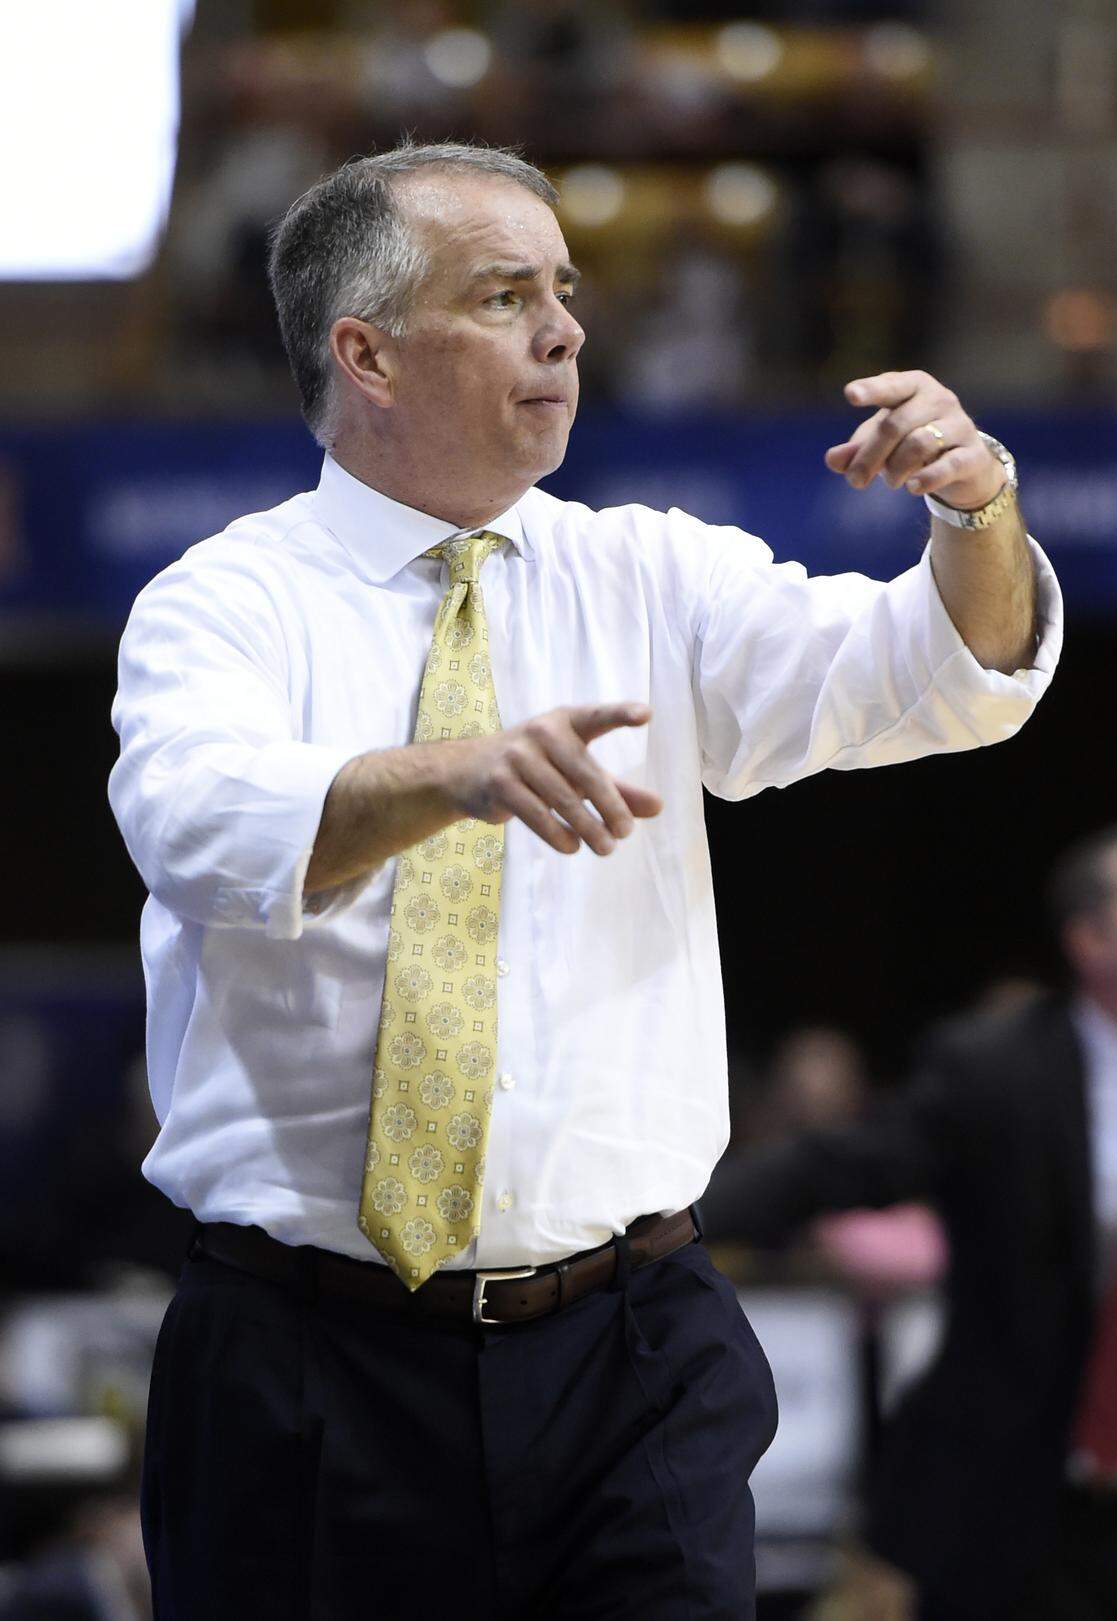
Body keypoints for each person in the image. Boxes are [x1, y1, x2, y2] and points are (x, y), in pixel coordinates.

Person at [108, 139, 1060, 1618]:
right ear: (364, 350)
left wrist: (974, 506)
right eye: (505, 296)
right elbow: (198, 824)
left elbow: (938, 675)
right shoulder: (225, 601)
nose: (564, 329)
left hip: (632, 1354)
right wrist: (454, 772)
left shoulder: (651, 571)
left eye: (564, 291)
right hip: (309, 1365)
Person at [703, 825, 1117, 1620]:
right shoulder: (999, 1070)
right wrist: (672, 1225)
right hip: (1013, 1489)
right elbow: (836, 1167)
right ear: (1090, 938)